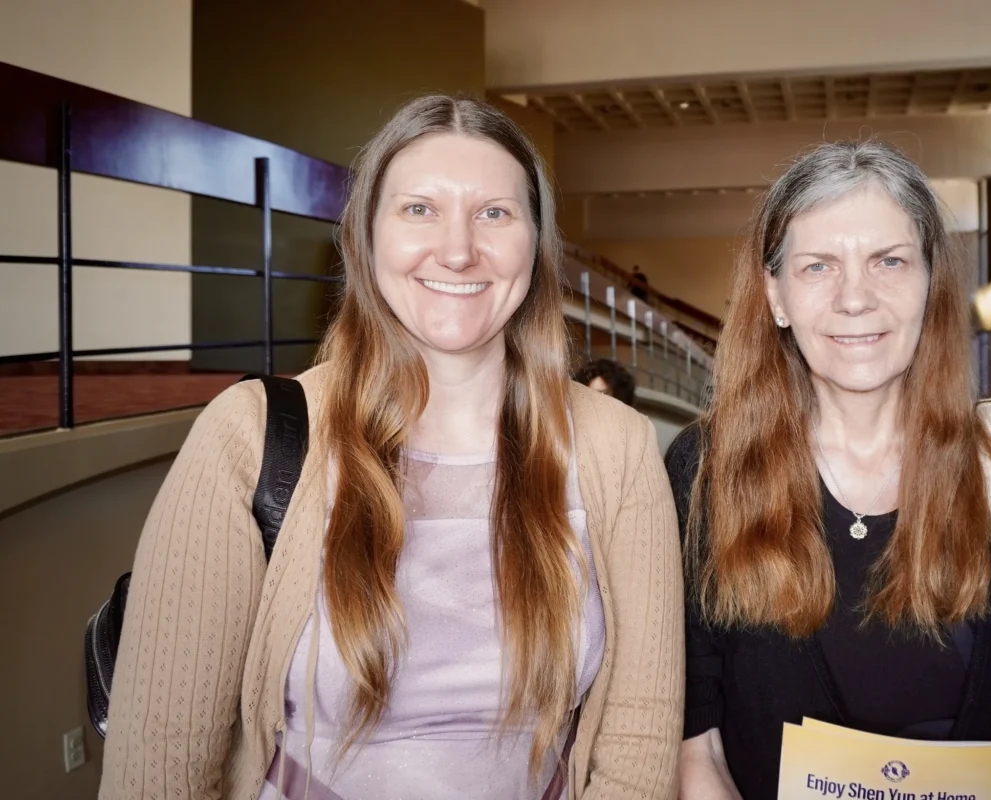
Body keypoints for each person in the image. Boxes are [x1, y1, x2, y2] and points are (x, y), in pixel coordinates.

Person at [99, 95, 684, 800]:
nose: (459, 248)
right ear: (364, 237)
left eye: (494, 212)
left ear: (536, 241)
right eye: (419, 209)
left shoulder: (615, 446)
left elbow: (640, 741)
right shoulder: (251, 436)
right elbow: (157, 768)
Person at [666, 142, 991, 800]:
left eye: (889, 261)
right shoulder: (706, 470)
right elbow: (695, 746)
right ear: (776, 295)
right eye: (818, 265)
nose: (856, 297)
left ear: (930, 282)